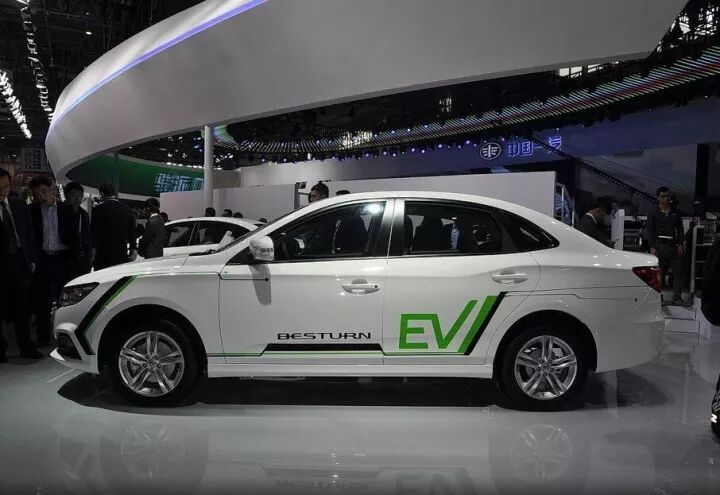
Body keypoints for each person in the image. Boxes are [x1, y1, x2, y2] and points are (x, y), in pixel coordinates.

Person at [29, 177, 79, 347]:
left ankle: (66, 337)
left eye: (44, 192)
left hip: (62, 259)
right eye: (37, 194)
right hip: (42, 259)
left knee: (65, 299)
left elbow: (74, 236)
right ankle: (43, 337)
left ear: (51, 189)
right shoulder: (32, 210)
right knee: (41, 301)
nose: (41, 197)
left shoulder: (66, 209)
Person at [0, 168, 42, 360]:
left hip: (19, 261)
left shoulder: (18, 204)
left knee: (22, 307)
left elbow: (28, 233)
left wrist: (32, 258)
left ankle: (26, 347)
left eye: (6, 186)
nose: (3, 191)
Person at [646, 186, 685, 305]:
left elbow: (680, 229)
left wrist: (681, 243)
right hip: (660, 245)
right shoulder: (653, 212)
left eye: (667, 196)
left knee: (678, 272)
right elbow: (649, 230)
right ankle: (658, 298)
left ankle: (677, 298)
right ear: (658, 198)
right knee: (659, 273)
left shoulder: (675, 211)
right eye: (663, 196)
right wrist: (652, 247)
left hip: (673, 245)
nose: (666, 198)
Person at [91, 183, 137, 270]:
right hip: (121, 254)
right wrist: (133, 248)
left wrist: (92, 255)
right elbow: (132, 231)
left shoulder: (98, 209)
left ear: (102, 193)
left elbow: (94, 233)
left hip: (103, 255)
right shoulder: (127, 209)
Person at [64, 181, 91, 277]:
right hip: (64, 257)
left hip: (82, 257)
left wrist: (89, 255)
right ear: (66, 195)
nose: (77, 199)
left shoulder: (84, 214)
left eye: (80, 196)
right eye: (73, 195)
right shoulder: (59, 210)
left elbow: (87, 235)